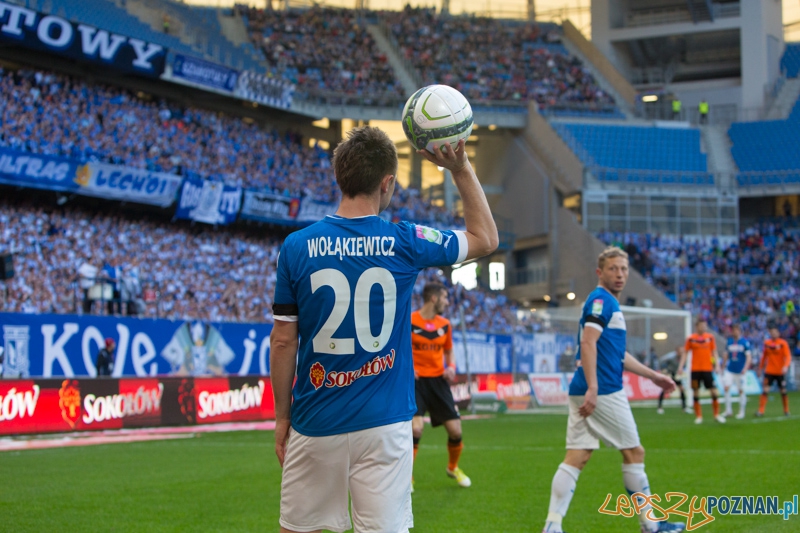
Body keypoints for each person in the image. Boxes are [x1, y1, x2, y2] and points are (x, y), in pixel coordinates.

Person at [270, 128, 498, 533]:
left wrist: (282, 418)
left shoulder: (296, 246)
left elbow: (285, 339)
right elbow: (485, 238)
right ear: (387, 182)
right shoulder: (405, 240)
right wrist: (460, 168)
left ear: (339, 178)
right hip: (385, 423)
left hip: (315, 419)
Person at [541, 247, 684, 533]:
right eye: (613, 269)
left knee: (577, 456)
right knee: (634, 452)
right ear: (600, 272)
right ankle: (651, 525)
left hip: (587, 386)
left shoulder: (607, 303)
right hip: (603, 389)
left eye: (624, 269)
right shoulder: (600, 300)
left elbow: (617, 354)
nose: (619, 274)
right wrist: (594, 387)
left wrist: (653, 376)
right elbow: (588, 343)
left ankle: (552, 526)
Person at [410, 282, 470, 491]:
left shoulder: (445, 324)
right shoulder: (409, 321)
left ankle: (453, 468)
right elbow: (398, 349)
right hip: (415, 382)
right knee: (416, 429)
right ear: (433, 298)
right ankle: (407, 476)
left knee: (455, 431)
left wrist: (451, 366)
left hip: (438, 381)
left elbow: (449, 351)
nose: (446, 302)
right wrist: (408, 367)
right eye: (444, 297)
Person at [678, 319, 724, 424]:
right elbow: (685, 353)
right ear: (697, 326)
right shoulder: (691, 339)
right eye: (702, 326)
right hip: (695, 370)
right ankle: (698, 416)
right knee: (695, 391)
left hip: (707, 369)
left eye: (705, 326)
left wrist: (717, 365)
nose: (704, 327)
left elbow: (714, 352)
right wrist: (681, 366)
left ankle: (716, 415)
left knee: (713, 391)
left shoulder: (710, 338)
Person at [756, 326, 791, 417]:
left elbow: (788, 356)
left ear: (778, 333)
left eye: (775, 332)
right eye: (772, 332)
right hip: (769, 371)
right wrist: (760, 368)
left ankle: (786, 410)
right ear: (770, 333)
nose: (774, 334)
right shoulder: (767, 343)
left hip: (780, 372)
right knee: (765, 390)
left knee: (783, 391)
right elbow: (764, 356)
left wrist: (786, 366)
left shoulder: (783, 343)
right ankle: (761, 411)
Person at [721, 324, 752, 419]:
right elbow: (726, 355)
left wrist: (745, 368)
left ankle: (741, 412)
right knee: (726, 388)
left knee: (741, 390)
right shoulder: (729, 342)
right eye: (733, 330)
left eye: (737, 330)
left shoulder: (744, 343)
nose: (735, 332)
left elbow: (748, 357)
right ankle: (728, 410)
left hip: (740, 370)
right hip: (730, 370)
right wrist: (723, 366)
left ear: (740, 331)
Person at [656, 350, 687, 415]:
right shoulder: (672, 358)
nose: (681, 353)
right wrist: (665, 370)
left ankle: (684, 407)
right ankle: (659, 407)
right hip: (670, 375)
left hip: (677, 376)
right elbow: (663, 362)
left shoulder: (682, 359)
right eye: (680, 351)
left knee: (682, 389)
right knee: (664, 390)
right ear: (677, 352)